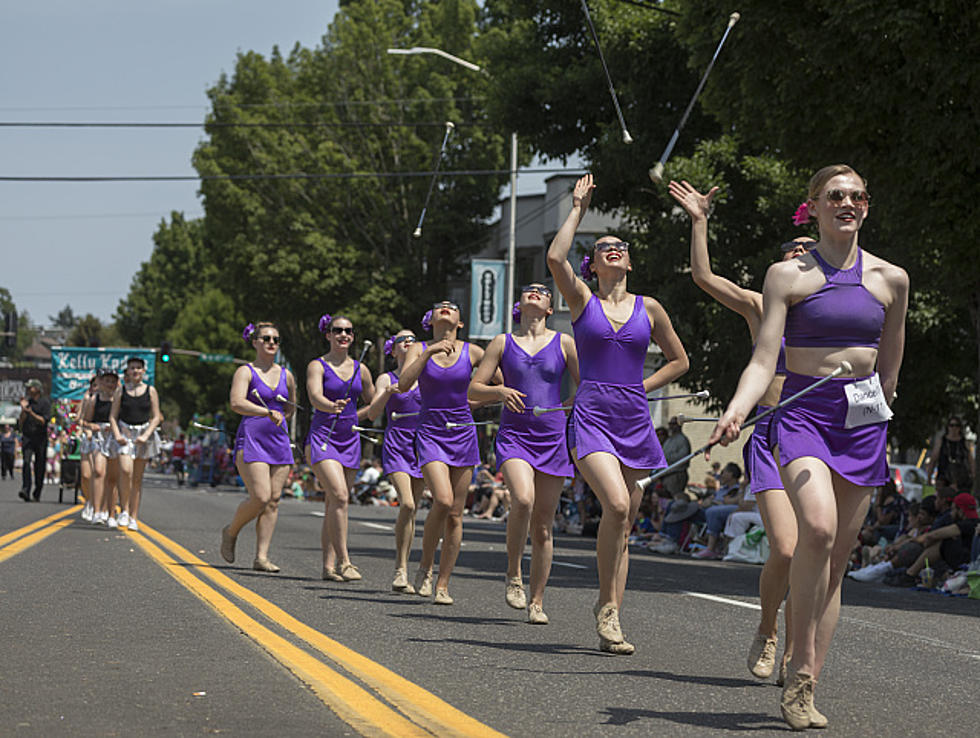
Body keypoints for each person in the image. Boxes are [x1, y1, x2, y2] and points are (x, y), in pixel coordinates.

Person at [709, 164, 909, 729]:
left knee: (837, 561)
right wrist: (738, 408)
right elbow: (763, 357)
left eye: (856, 196)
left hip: (862, 423)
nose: (847, 203)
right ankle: (796, 668)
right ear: (814, 206)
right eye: (835, 196)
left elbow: (890, 370)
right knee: (815, 530)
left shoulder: (892, 280)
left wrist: (877, 411)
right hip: (801, 416)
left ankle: (807, 685)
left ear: (866, 207)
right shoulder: (787, 276)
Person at [669, 178, 817, 684]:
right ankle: (768, 628)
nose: (800, 256)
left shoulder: (837, 308)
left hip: (821, 435)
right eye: (792, 251)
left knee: (814, 549)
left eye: (807, 250)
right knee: (787, 547)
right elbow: (705, 277)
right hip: (772, 431)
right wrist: (699, 221)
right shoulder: (761, 305)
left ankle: (798, 652)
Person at [547, 174, 689, 654]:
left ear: (628, 260)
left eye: (620, 245)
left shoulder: (650, 309)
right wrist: (578, 208)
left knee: (623, 522)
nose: (614, 248)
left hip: (634, 417)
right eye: (604, 246)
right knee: (620, 505)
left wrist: (641, 386)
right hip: (590, 414)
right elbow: (553, 258)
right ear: (595, 261)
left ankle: (611, 615)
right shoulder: (581, 299)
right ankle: (607, 606)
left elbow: (680, 360)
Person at [469, 283, 579, 624]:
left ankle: (537, 601)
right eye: (529, 289)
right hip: (515, 435)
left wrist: (569, 406)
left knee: (544, 525)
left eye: (543, 291)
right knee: (524, 499)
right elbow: (474, 391)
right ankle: (513, 574)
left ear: (549, 307)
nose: (535, 292)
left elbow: (586, 386)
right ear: (520, 303)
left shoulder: (565, 343)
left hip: (552, 437)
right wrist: (499, 390)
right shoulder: (502, 342)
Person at [400, 300, 488, 604]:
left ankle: (443, 584)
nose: (446, 308)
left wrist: (476, 402)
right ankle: (424, 566)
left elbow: (498, 385)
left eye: (452, 307)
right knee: (443, 498)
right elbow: (403, 384)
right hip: (430, 432)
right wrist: (427, 353)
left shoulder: (474, 352)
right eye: (440, 306)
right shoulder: (419, 348)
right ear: (432, 318)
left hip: (463, 434)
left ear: (460, 322)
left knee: (454, 515)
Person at [221, 322, 296, 572]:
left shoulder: (287, 374)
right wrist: (266, 412)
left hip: (279, 440)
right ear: (255, 342)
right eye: (266, 338)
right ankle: (231, 531)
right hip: (252, 439)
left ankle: (261, 557)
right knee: (261, 496)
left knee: (273, 500)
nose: (272, 343)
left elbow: (291, 406)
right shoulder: (246, 371)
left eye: (275, 339)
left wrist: (282, 414)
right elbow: (236, 402)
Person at [306, 313, 375, 582]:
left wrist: (360, 414)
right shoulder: (318, 366)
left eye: (348, 331)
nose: (343, 335)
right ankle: (345, 562)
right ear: (328, 335)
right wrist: (330, 406)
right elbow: (314, 395)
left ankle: (327, 566)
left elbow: (374, 402)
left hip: (350, 438)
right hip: (323, 437)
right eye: (337, 331)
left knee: (334, 502)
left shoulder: (362, 369)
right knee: (340, 495)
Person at [364, 329, 424, 593]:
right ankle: (400, 568)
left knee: (415, 509)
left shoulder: (426, 376)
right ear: (393, 350)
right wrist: (387, 393)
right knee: (407, 503)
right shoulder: (385, 378)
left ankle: (409, 570)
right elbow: (373, 413)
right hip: (397, 443)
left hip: (423, 444)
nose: (408, 342)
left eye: (412, 339)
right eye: (402, 340)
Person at [109, 357, 163, 531]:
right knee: (125, 471)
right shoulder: (121, 391)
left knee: (137, 479)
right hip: (125, 434)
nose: (135, 371)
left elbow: (157, 416)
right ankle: (123, 510)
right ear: (128, 372)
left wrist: (146, 435)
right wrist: (117, 434)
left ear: (143, 371)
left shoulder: (150, 390)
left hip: (143, 435)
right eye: (132, 368)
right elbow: (113, 416)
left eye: (138, 368)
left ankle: (133, 516)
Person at [82, 368, 120, 526]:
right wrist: (93, 426)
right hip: (99, 438)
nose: (109, 384)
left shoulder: (119, 399)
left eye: (112, 381)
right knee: (98, 471)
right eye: (106, 381)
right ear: (101, 382)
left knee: (112, 478)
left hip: (115, 437)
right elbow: (84, 421)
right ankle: (97, 511)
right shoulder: (94, 400)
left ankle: (111, 514)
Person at [18, 378, 51, 502]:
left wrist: (31, 412)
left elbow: (43, 421)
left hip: (40, 438)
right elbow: (21, 422)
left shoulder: (45, 403)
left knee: (39, 465)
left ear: (37, 389)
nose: (28, 390)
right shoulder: (28, 403)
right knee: (26, 462)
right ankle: (25, 489)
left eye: (30, 387)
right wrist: (23, 411)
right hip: (28, 437)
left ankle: (37, 491)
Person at [925, 416, 974, 492]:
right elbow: (933, 460)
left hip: (962, 479)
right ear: (948, 427)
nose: (954, 428)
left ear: (960, 428)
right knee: (944, 500)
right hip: (944, 477)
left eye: (957, 425)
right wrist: (929, 478)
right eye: (951, 425)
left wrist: (973, 476)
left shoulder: (965, 442)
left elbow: (971, 461)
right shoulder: (941, 442)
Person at [77, 376, 98, 521]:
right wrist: (87, 428)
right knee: (86, 475)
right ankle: (89, 500)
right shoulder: (87, 399)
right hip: (88, 438)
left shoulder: (112, 399)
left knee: (99, 474)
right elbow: (79, 419)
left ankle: (98, 505)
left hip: (105, 440)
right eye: (95, 385)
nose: (97, 387)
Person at [660, 416, 692, 498]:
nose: (671, 426)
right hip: (665, 475)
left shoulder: (682, 440)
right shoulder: (669, 440)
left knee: (674, 497)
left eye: (674, 424)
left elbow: (683, 458)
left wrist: (667, 458)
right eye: (670, 424)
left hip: (676, 475)